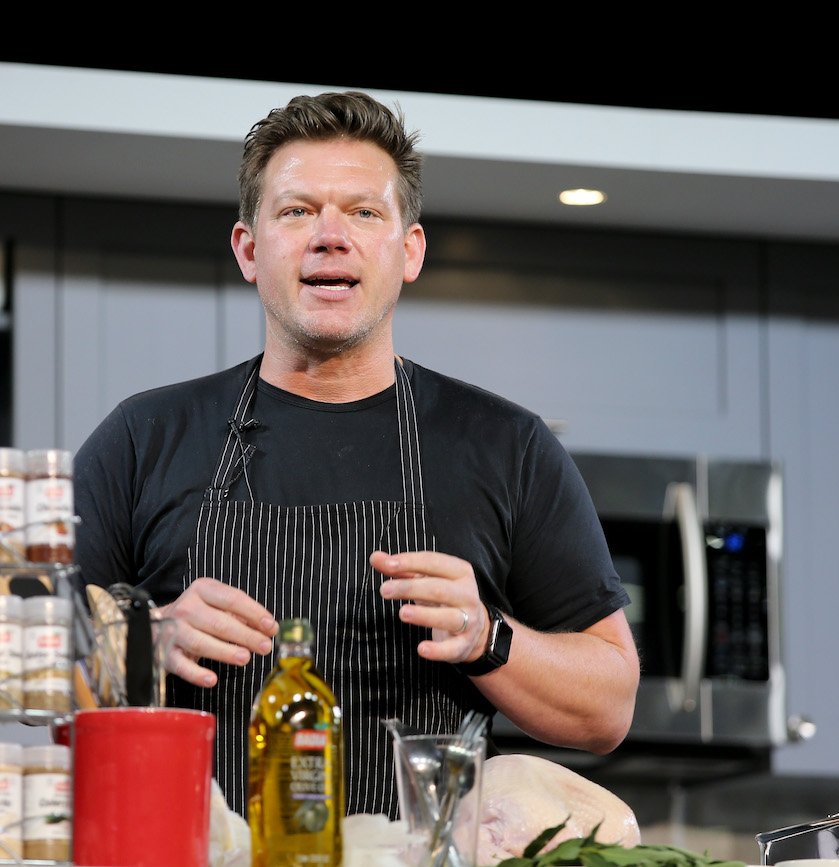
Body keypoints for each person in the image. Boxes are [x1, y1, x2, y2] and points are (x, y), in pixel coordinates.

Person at [73, 90, 640, 818]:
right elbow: (9, 663)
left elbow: (609, 707)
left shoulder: (505, 445)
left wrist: (487, 636)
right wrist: (143, 640)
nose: (329, 236)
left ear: (410, 251)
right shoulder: (143, 436)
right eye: (297, 210)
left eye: (364, 212)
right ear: (249, 249)